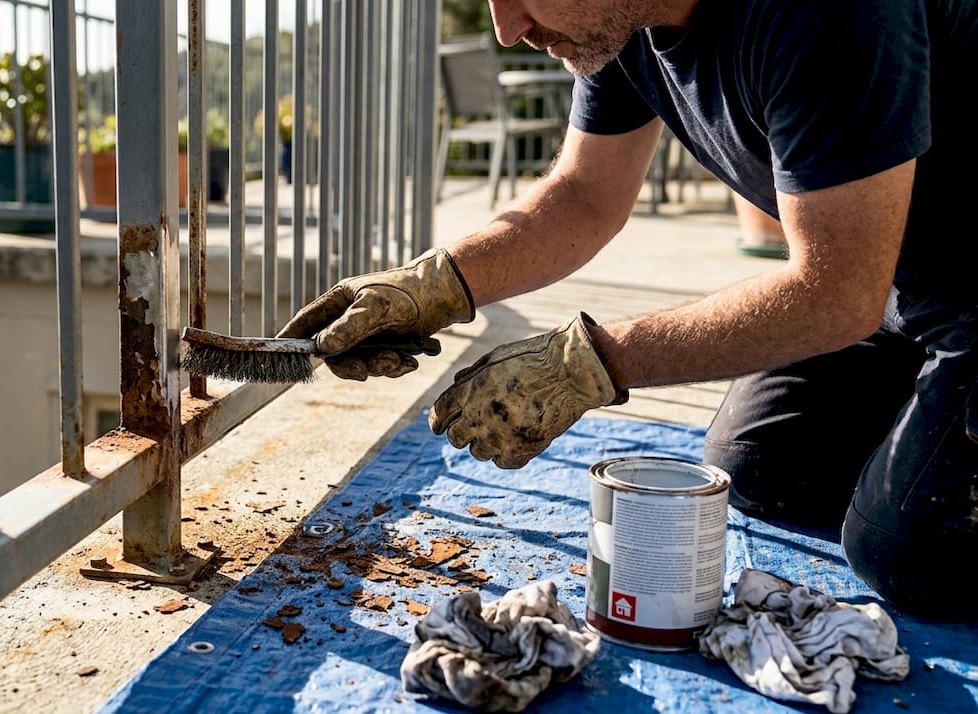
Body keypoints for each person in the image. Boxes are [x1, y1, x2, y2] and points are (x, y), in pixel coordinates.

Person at [277, 0, 978, 622]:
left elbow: (834, 292)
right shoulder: (620, 24)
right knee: (756, 466)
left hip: (943, 296)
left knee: (906, 553)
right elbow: (584, 195)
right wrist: (430, 287)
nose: (507, 27)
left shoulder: (827, 12)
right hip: (898, 294)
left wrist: (590, 363)